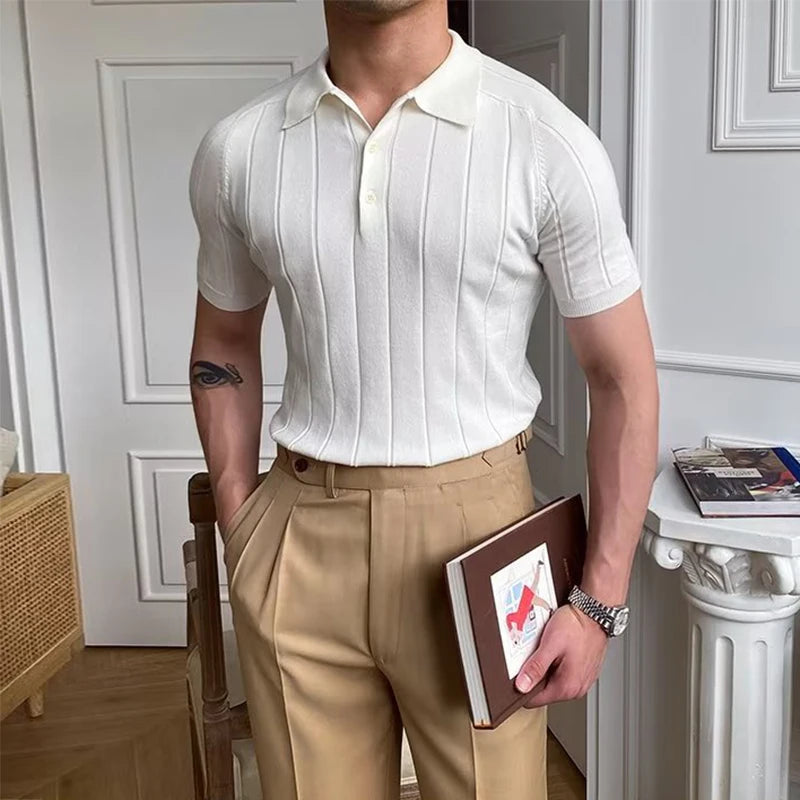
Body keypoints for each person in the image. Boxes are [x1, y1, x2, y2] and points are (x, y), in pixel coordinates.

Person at [187, 1, 659, 797]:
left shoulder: (544, 140)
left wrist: (600, 601)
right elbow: (225, 342)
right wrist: (244, 527)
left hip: (481, 539)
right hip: (300, 534)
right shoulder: (240, 150)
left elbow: (623, 379)